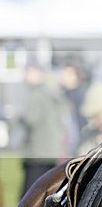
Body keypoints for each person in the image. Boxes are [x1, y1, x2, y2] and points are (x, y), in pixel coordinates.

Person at [19, 61, 69, 196]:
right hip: (51, 150)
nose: (25, 76)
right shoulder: (52, 92)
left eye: (27, 72)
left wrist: (18, 118)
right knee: (47, 192)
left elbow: (31, 119)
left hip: (38, 152)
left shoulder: (37, 93)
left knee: (29, 196)